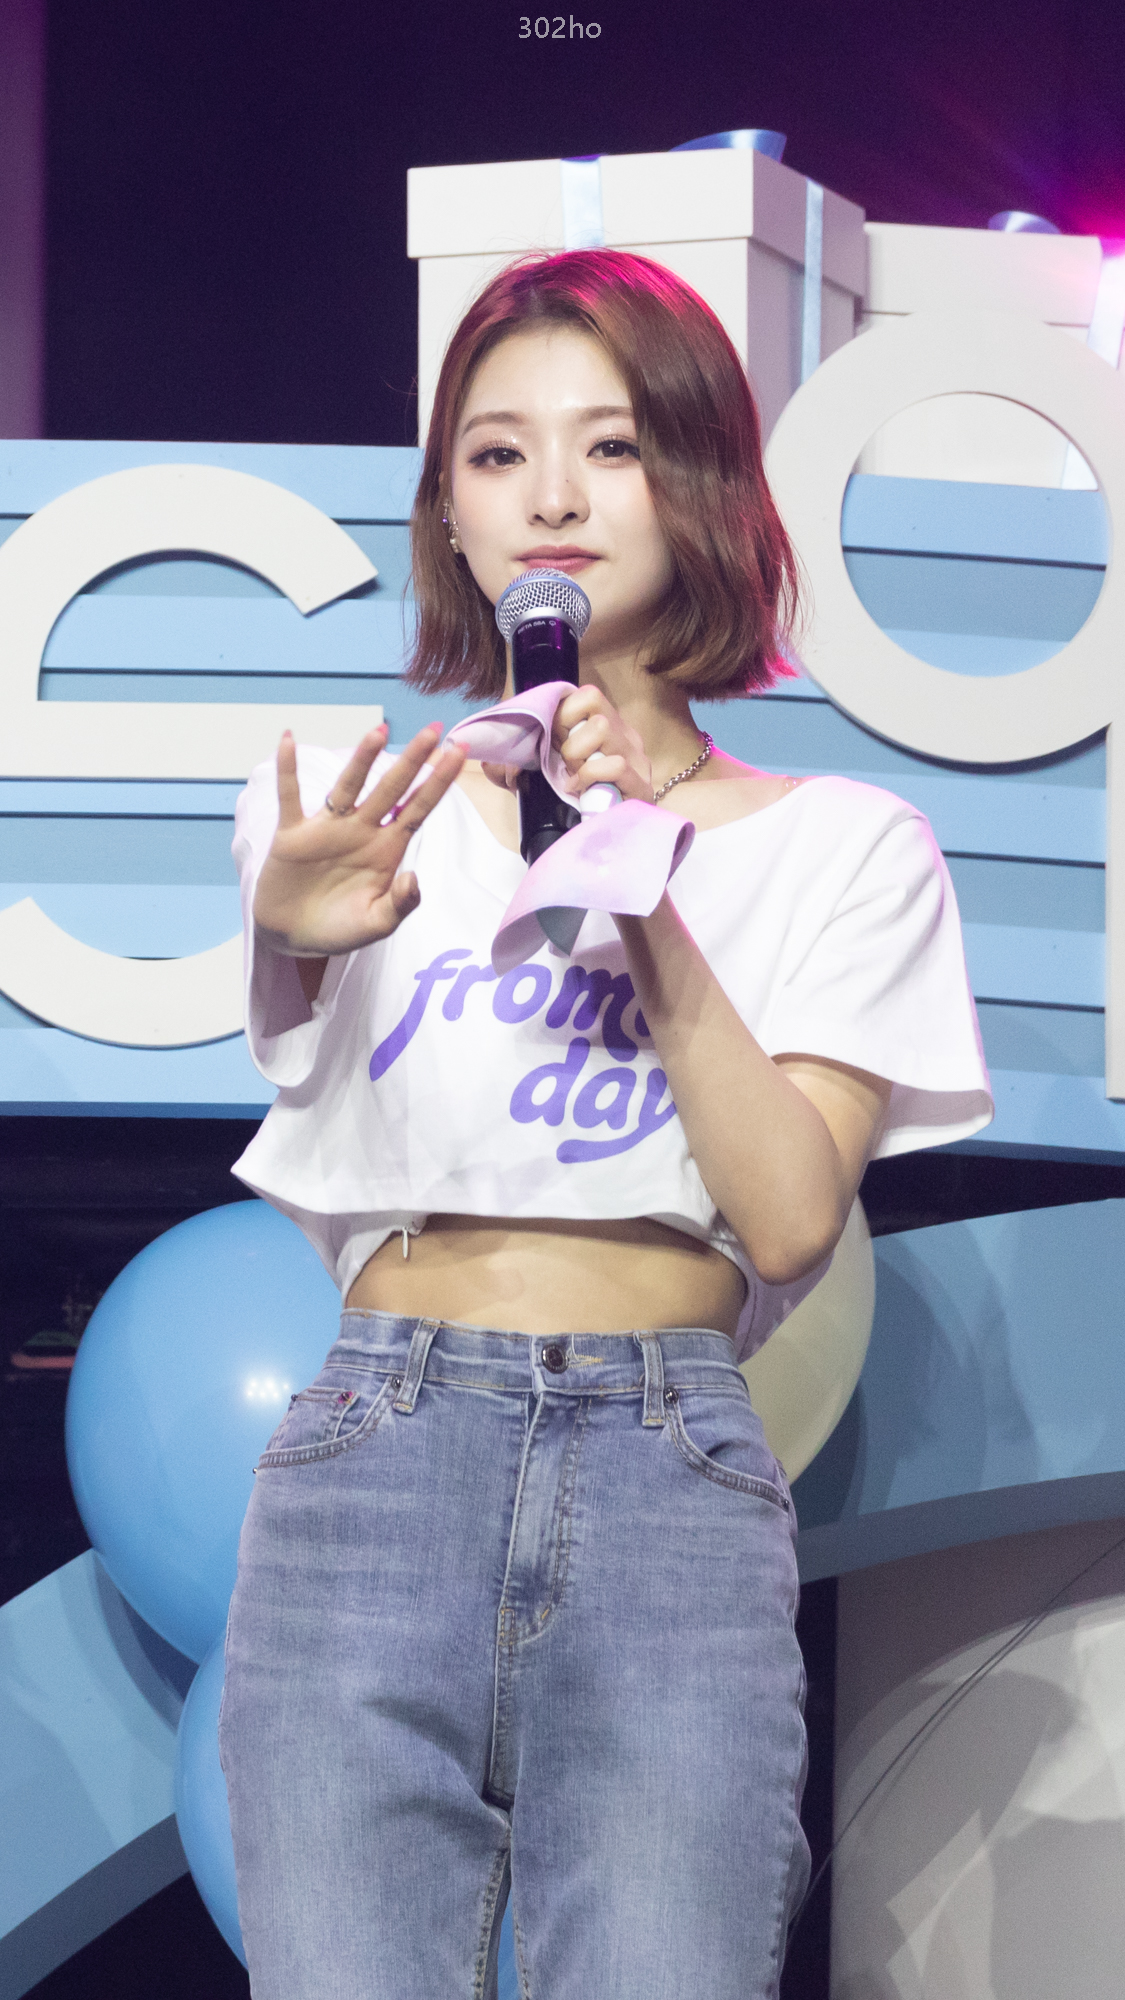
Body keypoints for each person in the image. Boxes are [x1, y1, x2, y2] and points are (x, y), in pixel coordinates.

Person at [219, 249, 992, 2000]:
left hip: (667, 1476)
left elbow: (785, 1222)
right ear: (449, 510)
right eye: (497, 454)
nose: (551, 499)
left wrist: (644, 885)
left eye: (612, 446)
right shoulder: (351, 816)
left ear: (700, 480)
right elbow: (298, 1024)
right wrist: (286, 929)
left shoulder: (843, 847)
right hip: (377, 1457)